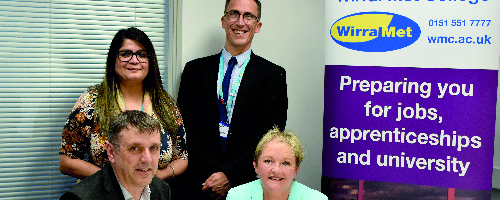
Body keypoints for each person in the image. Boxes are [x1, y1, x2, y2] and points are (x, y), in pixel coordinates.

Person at [177, 0, 287, 199]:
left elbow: (269, 135)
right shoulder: (194, 70)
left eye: (249, 16)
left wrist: (230, 174)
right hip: (199, 183)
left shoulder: (273, 75)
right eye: (234, 14)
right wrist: (212, 175)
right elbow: (184, 127)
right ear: (223, 20)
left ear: (257, 26)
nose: (240, 22)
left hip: (246, 185)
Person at [59, 27, 187, 181]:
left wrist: (158, 177)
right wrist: (115, 181)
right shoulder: (91, 101)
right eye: (125, 54)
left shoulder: (166, 104)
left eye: (141, 54)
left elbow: (182, 158)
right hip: (103, 194)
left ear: (150, 61)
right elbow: (67, 161)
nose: (134, 60)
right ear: (113, 59)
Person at [60, 110, 171, 200]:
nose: (147, 159)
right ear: (111, 152)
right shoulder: (79, 198)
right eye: (135, 148)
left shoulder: (162, 190)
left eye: (153, 148)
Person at [226, 127, 327, 200]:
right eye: (268, 161)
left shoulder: (317, 199)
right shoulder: (236, 196)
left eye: (286, 163)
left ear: (297, 169)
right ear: (255, 165)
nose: (276, 170)